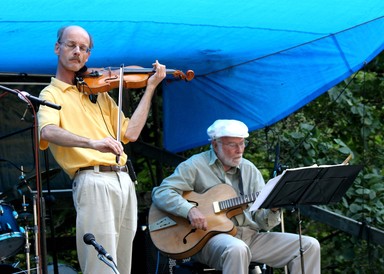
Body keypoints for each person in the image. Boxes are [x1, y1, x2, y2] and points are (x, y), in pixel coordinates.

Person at [37, 25, 166, 274]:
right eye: (71, 45)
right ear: (57, 48)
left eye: (84, 48)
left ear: (88, 55)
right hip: (92, 178)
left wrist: (150, 87)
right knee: (100, 264)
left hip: (123, 180)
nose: (77, 52)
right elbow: (47, 131)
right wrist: (92, 143)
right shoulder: (51, 93)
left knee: (123, 264)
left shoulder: (100, 95)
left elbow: (130, 133)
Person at [151, 119, 321, 274]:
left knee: (308, 245)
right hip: (209, 241)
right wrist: (189, 210)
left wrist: (273, 208)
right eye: (232, 144)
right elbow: (162, 192)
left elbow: (261, 221)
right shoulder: (195, 165)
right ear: (215, 144)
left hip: (249, 237)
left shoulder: (250, 170)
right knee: (237, 249)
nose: (240, 150)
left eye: (242, 143)